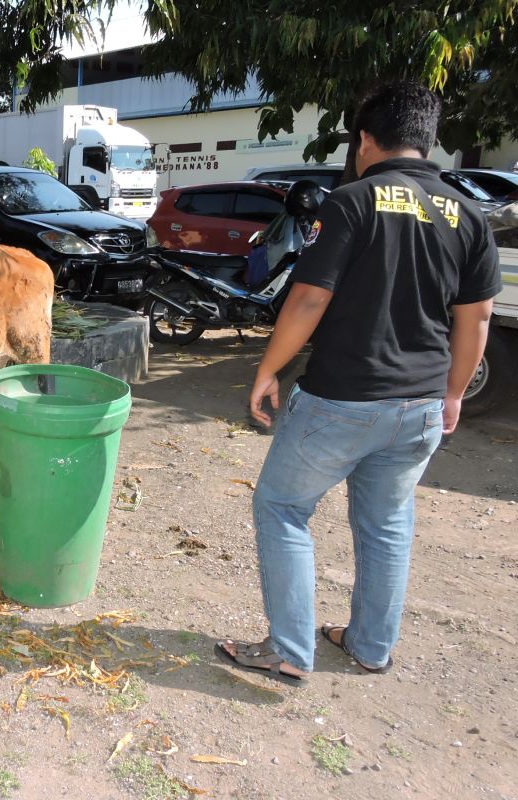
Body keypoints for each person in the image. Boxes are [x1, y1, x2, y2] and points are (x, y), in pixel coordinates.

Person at [215, 81, 501, 684]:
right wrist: (452, 394)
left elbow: (310, 296)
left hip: (344, 399)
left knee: (283, 506)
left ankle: (290, 649)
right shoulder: (468, 214)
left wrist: (268, 369)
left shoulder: (352, 201)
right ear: (427, 141)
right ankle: (369, 645)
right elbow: (475, 318)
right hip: (421, 405)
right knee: (387, 525)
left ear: (366, 140)